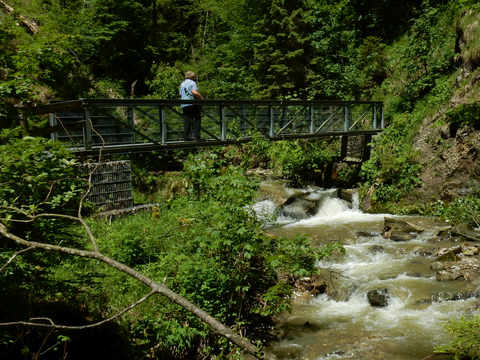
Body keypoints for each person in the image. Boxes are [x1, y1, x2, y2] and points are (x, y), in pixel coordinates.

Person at [179, 71, 204, 141]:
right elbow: (194, 92)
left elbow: (180, 94)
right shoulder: (192, 83)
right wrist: (201, 98)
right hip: (192, 104)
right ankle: (196, 136)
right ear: (192, 77)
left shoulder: (182, 83)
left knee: (187, 120)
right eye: (194, 76)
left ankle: (186, 137)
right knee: (197, 119)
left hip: (184, 104)